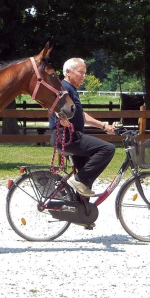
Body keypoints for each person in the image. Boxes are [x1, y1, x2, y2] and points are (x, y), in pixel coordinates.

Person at [49, 58, 116, 196]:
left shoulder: (70, 89)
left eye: (85, 73)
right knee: (107, 148)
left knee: (86, 182)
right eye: (81, 72)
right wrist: (61, 119)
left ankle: (80, 210)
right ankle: (78, 180)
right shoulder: (64, 88)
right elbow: (55, 108)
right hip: (67, 137)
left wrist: (104, 126)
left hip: (70, 136)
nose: (84, 76)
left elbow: (81, 115)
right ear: (68, 72)